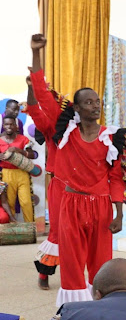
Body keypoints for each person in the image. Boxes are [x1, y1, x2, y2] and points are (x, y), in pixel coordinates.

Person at [52, 83, 126, 306]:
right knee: (71, 265)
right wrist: (36, 65)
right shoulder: (67, 134)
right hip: (71, 205)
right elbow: (39, 102)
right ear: (77, 108)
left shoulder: (112, 137)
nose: (95, 106)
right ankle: (73, 312)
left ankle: (101, 311)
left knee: (101, 265)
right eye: (89, 102)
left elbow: (116, 178)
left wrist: (119, 214)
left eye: (98, 101)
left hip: (101, 207)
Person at [26, 34, 67, 290]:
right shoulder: (52, 128)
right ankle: (45, 272)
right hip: (61, 186)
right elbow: (34, 106)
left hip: (86, 191)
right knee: (57, 233)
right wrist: (32, 86)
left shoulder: (81, 128)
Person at [0, 115, 34, 223]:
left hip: (22, 173)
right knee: (9, 203)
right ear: (3, 126)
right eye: (6, 124)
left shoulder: (24, 139)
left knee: (26, 202)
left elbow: (32, 155)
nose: (8, 127)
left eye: (11, 124)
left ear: (16, 126)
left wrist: (19, 150)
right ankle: (12, 230)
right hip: (6, 174)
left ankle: (30, 228)